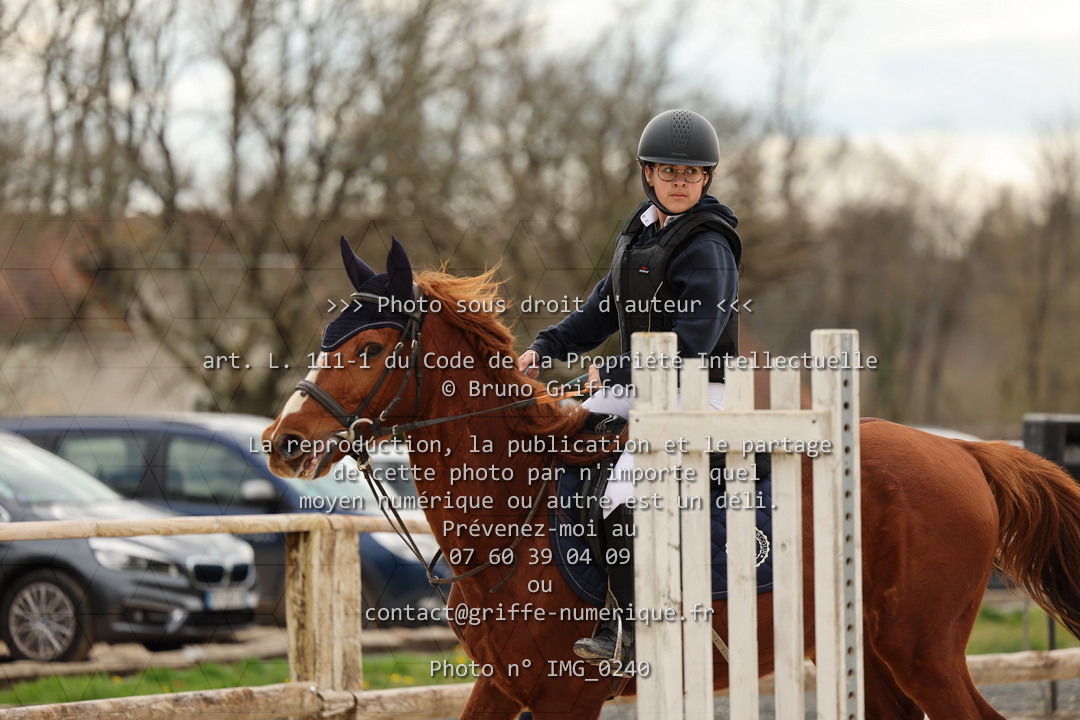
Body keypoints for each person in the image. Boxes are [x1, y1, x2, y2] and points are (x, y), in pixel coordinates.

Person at [516, 109, 742, 663]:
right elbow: (599, 313)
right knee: (561, 439)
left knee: (620, 490)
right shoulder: (640, 232)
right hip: (642, 384)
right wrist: (544, 348)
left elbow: (694, 341)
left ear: (707, 178)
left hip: (696, 389)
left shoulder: (710, 246)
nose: (681, 182)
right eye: (670, 172)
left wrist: (616, 372)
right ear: (648, 174)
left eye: (692, 173)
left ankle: (630, 627)